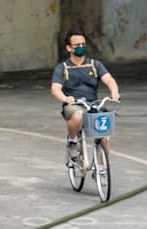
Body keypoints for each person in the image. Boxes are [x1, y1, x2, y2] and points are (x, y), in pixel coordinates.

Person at [50, 29, 121, 163]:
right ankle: (72, 142)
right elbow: (55, 89)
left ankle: (101, 168)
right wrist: (65, 98)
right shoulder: (63, 67)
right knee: (78, 116)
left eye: (83, 44)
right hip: (74, 105)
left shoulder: (94, 64)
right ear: (69, 48)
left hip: (93, 104)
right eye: (77, 46)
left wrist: (114, 92)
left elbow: (109, 79)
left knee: (105, 137)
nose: (81, 47)